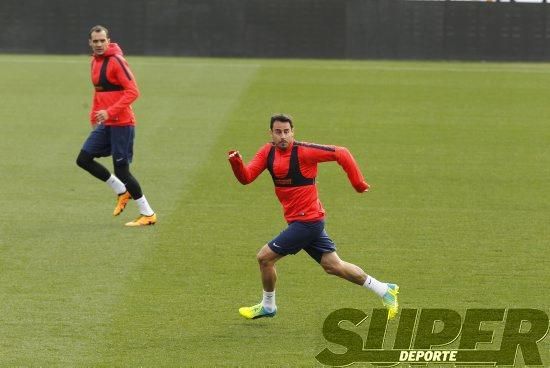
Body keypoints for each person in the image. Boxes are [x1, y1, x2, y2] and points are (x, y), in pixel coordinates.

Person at [228, 114, 399, 320]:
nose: (283, 136)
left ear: (293, 132)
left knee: (264, 258)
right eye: (278, 132)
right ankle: (384, 290)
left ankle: (268, 305)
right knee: (333, 266)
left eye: (286, 131)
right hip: (302, 221)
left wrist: (358, 183)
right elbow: (246, 177)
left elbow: (341, 153)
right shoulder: (267, 153)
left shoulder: (304, 152)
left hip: (307, 222)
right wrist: (236, 162)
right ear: (271, 134)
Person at [76, 25, 156, 226]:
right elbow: (99, 91)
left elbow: (133, 91)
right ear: (90, 43)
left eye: (103, 40)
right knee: (83, 159)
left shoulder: (116, 61)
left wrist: (109, 111)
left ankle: (148, 214)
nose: (99, 44)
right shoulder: (94, 62)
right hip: (106, 123)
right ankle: (121, 191)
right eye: (95, 41)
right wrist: (94, 114)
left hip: (122, 123)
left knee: (122, 170)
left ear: (108, 40)